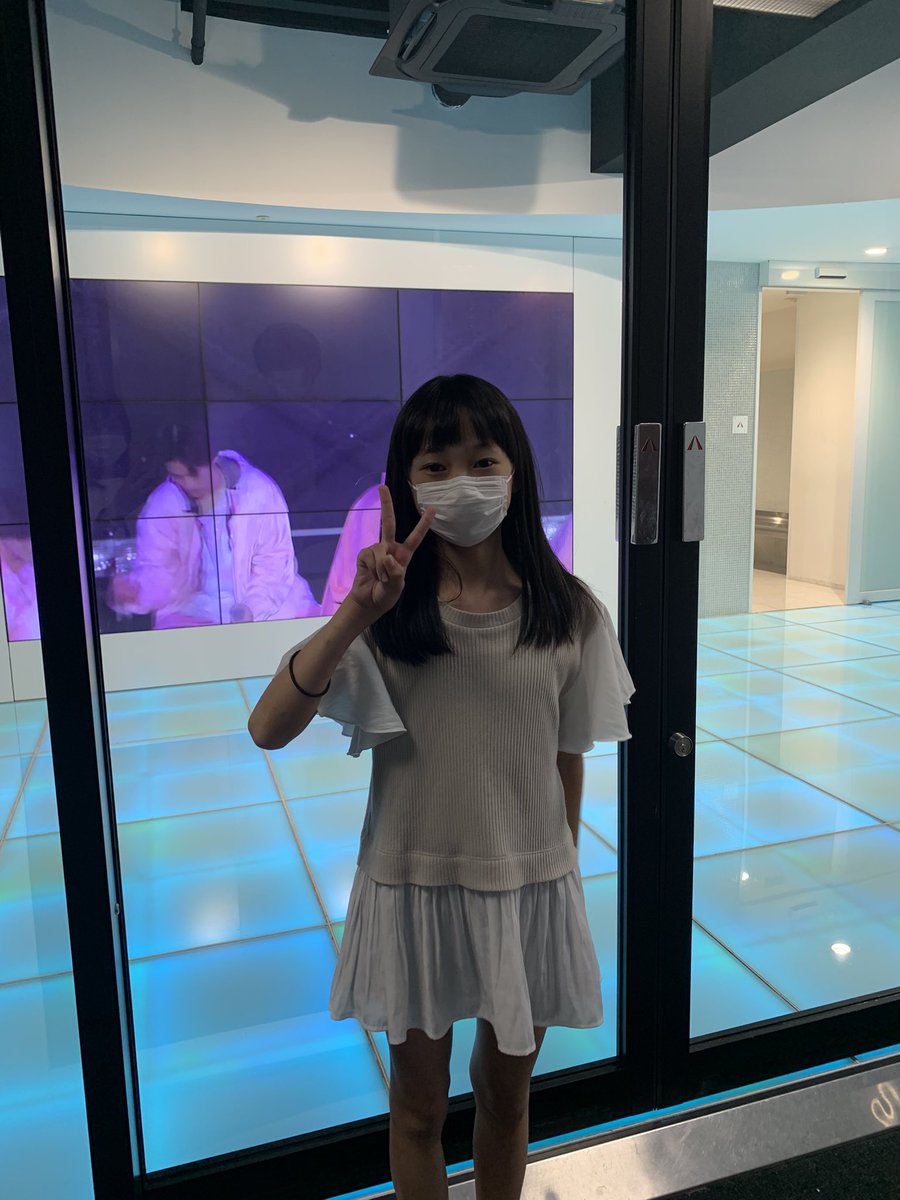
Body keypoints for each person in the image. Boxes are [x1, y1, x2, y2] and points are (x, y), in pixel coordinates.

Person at [248, 375, 635, 1200]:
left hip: (528, 890)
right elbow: (268, 727)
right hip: (413, 887)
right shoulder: (389, 615)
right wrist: (356, 612)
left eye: (482, 460)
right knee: (419, 1109)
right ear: (405, 484)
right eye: (435, 465)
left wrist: (560, 870)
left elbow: (567, 755)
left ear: (515, 470)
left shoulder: (570, 614)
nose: (462, 481)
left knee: (506, 1097)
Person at [109, 424, 319, 629]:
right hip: (195, 614)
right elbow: (160, 570)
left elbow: (274, 563)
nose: (188, 484)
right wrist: (137, 593)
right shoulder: (163, 504)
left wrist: (251, 609)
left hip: (267, 609)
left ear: (214, 460)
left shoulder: (258, 491)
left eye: (194, 475)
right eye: (178, 477)